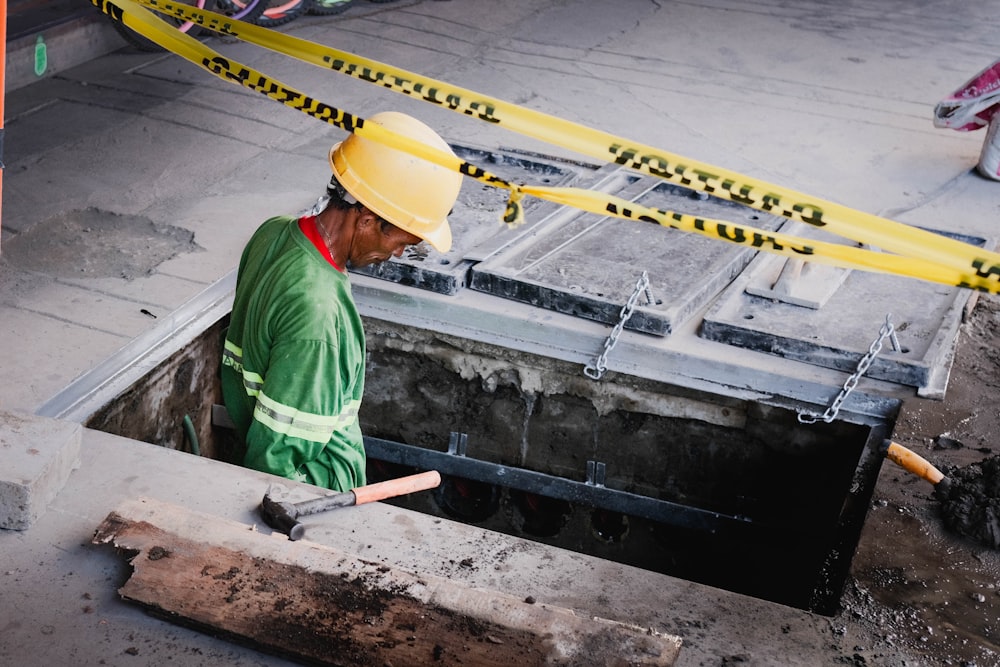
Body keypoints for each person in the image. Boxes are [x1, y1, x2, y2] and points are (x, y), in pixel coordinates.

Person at [221, 111, 463, 491]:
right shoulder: (318, 313)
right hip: (315, 488)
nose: (398, 254)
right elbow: (276, 459)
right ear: (366, 218)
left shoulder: (272, 232)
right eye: (400, 241)